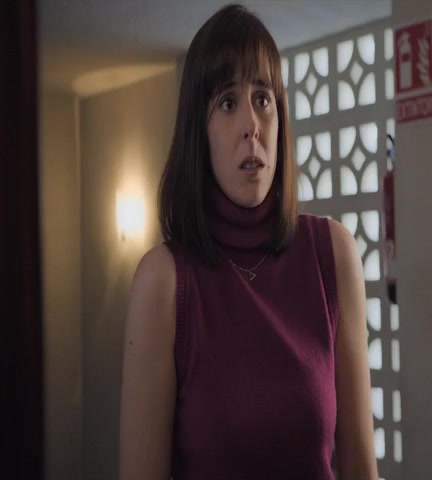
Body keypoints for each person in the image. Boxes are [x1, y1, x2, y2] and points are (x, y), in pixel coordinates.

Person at [118, 4, 378, 479]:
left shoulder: (333, 254)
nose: (251, 126)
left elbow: (361, 467)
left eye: (262, 98)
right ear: (198, 130)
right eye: (227, 103)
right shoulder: (165, 281)